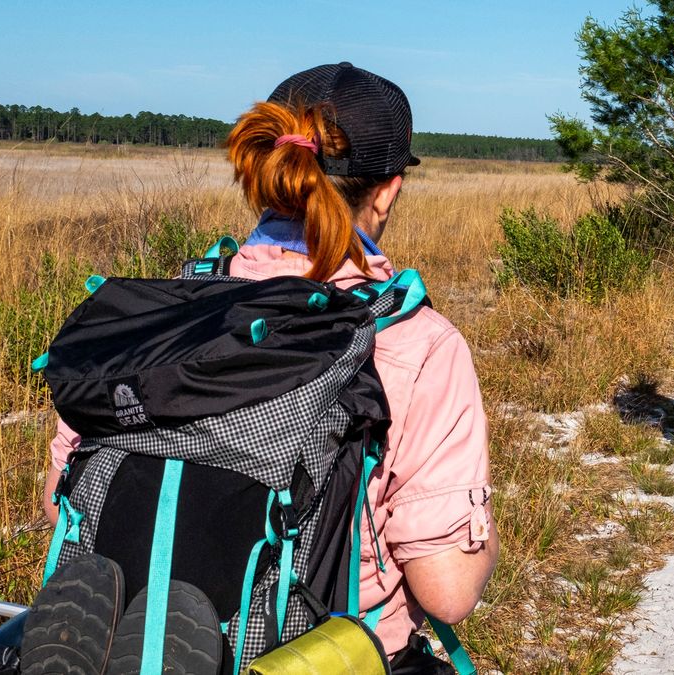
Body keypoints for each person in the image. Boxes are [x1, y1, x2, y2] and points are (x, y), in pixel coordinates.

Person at [42, 62, 499, 670]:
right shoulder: (416, 343)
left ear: (264, 170)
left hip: (126, 634)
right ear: (388, 188)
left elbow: (60, 505)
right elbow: (448, 589)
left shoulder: (159, 318)